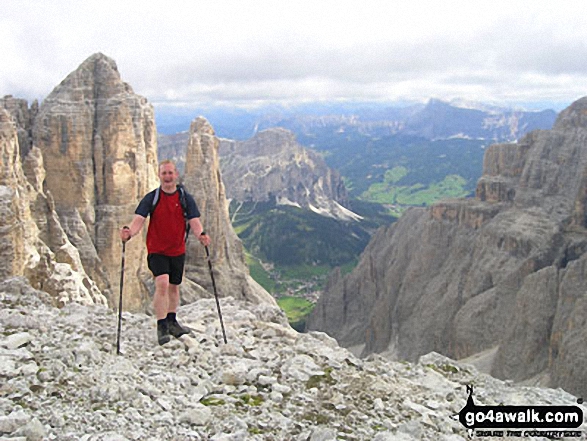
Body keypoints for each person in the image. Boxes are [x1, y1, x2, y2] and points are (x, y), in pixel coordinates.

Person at [120, 160, 211, 345]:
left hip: (177, 250)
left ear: (176, 175)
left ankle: (172, 320)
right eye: (164, 174)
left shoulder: (185, 198)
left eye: (170, 173)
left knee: (174, 286)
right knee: (162, 283)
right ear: (159, 175)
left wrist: (201, 234)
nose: (168, 177)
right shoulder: (152, 197)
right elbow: (139, 219)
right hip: (157, 249)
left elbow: (194, 220)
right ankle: (162, 326)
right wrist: (129, 232)